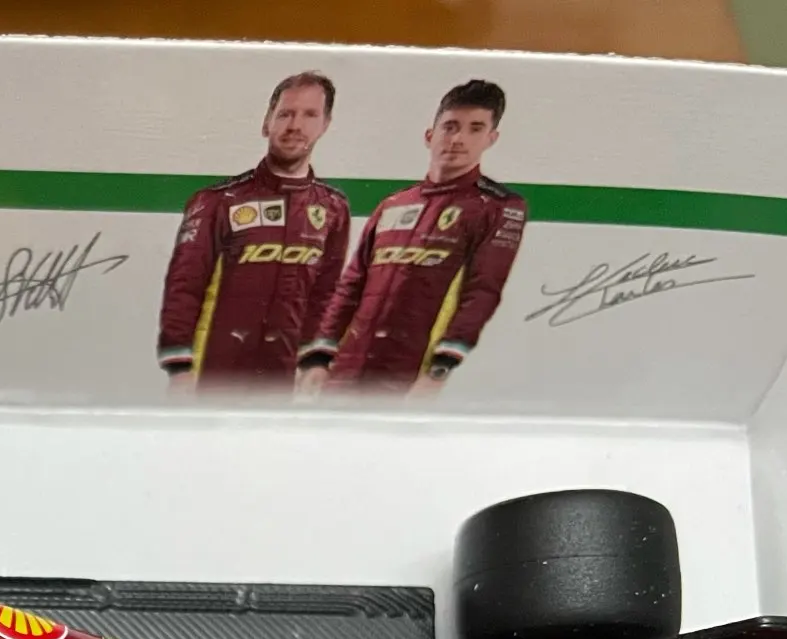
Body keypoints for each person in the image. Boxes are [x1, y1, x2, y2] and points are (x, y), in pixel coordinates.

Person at [298, 79, 526, 396]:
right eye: (450, 127)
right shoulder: (394, 204)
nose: (458, 139)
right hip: (346, 369)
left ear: (491, 139)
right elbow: (352, 284)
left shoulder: (499, 207)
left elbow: (482, 291)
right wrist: (319, 357)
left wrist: (440, 369)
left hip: (413, 375)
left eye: (475, 129)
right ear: (430, 136)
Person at [156, 72, 351, 389]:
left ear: (325, 125)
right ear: (266, 123)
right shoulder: (217, 202)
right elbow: (184, 286)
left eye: (309, 115)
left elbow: (325, 295)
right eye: (285, 114)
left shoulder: (333, 208)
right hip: (213, 372)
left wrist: (316, 362)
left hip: (285, 378)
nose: (295, 125)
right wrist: (179, 368)